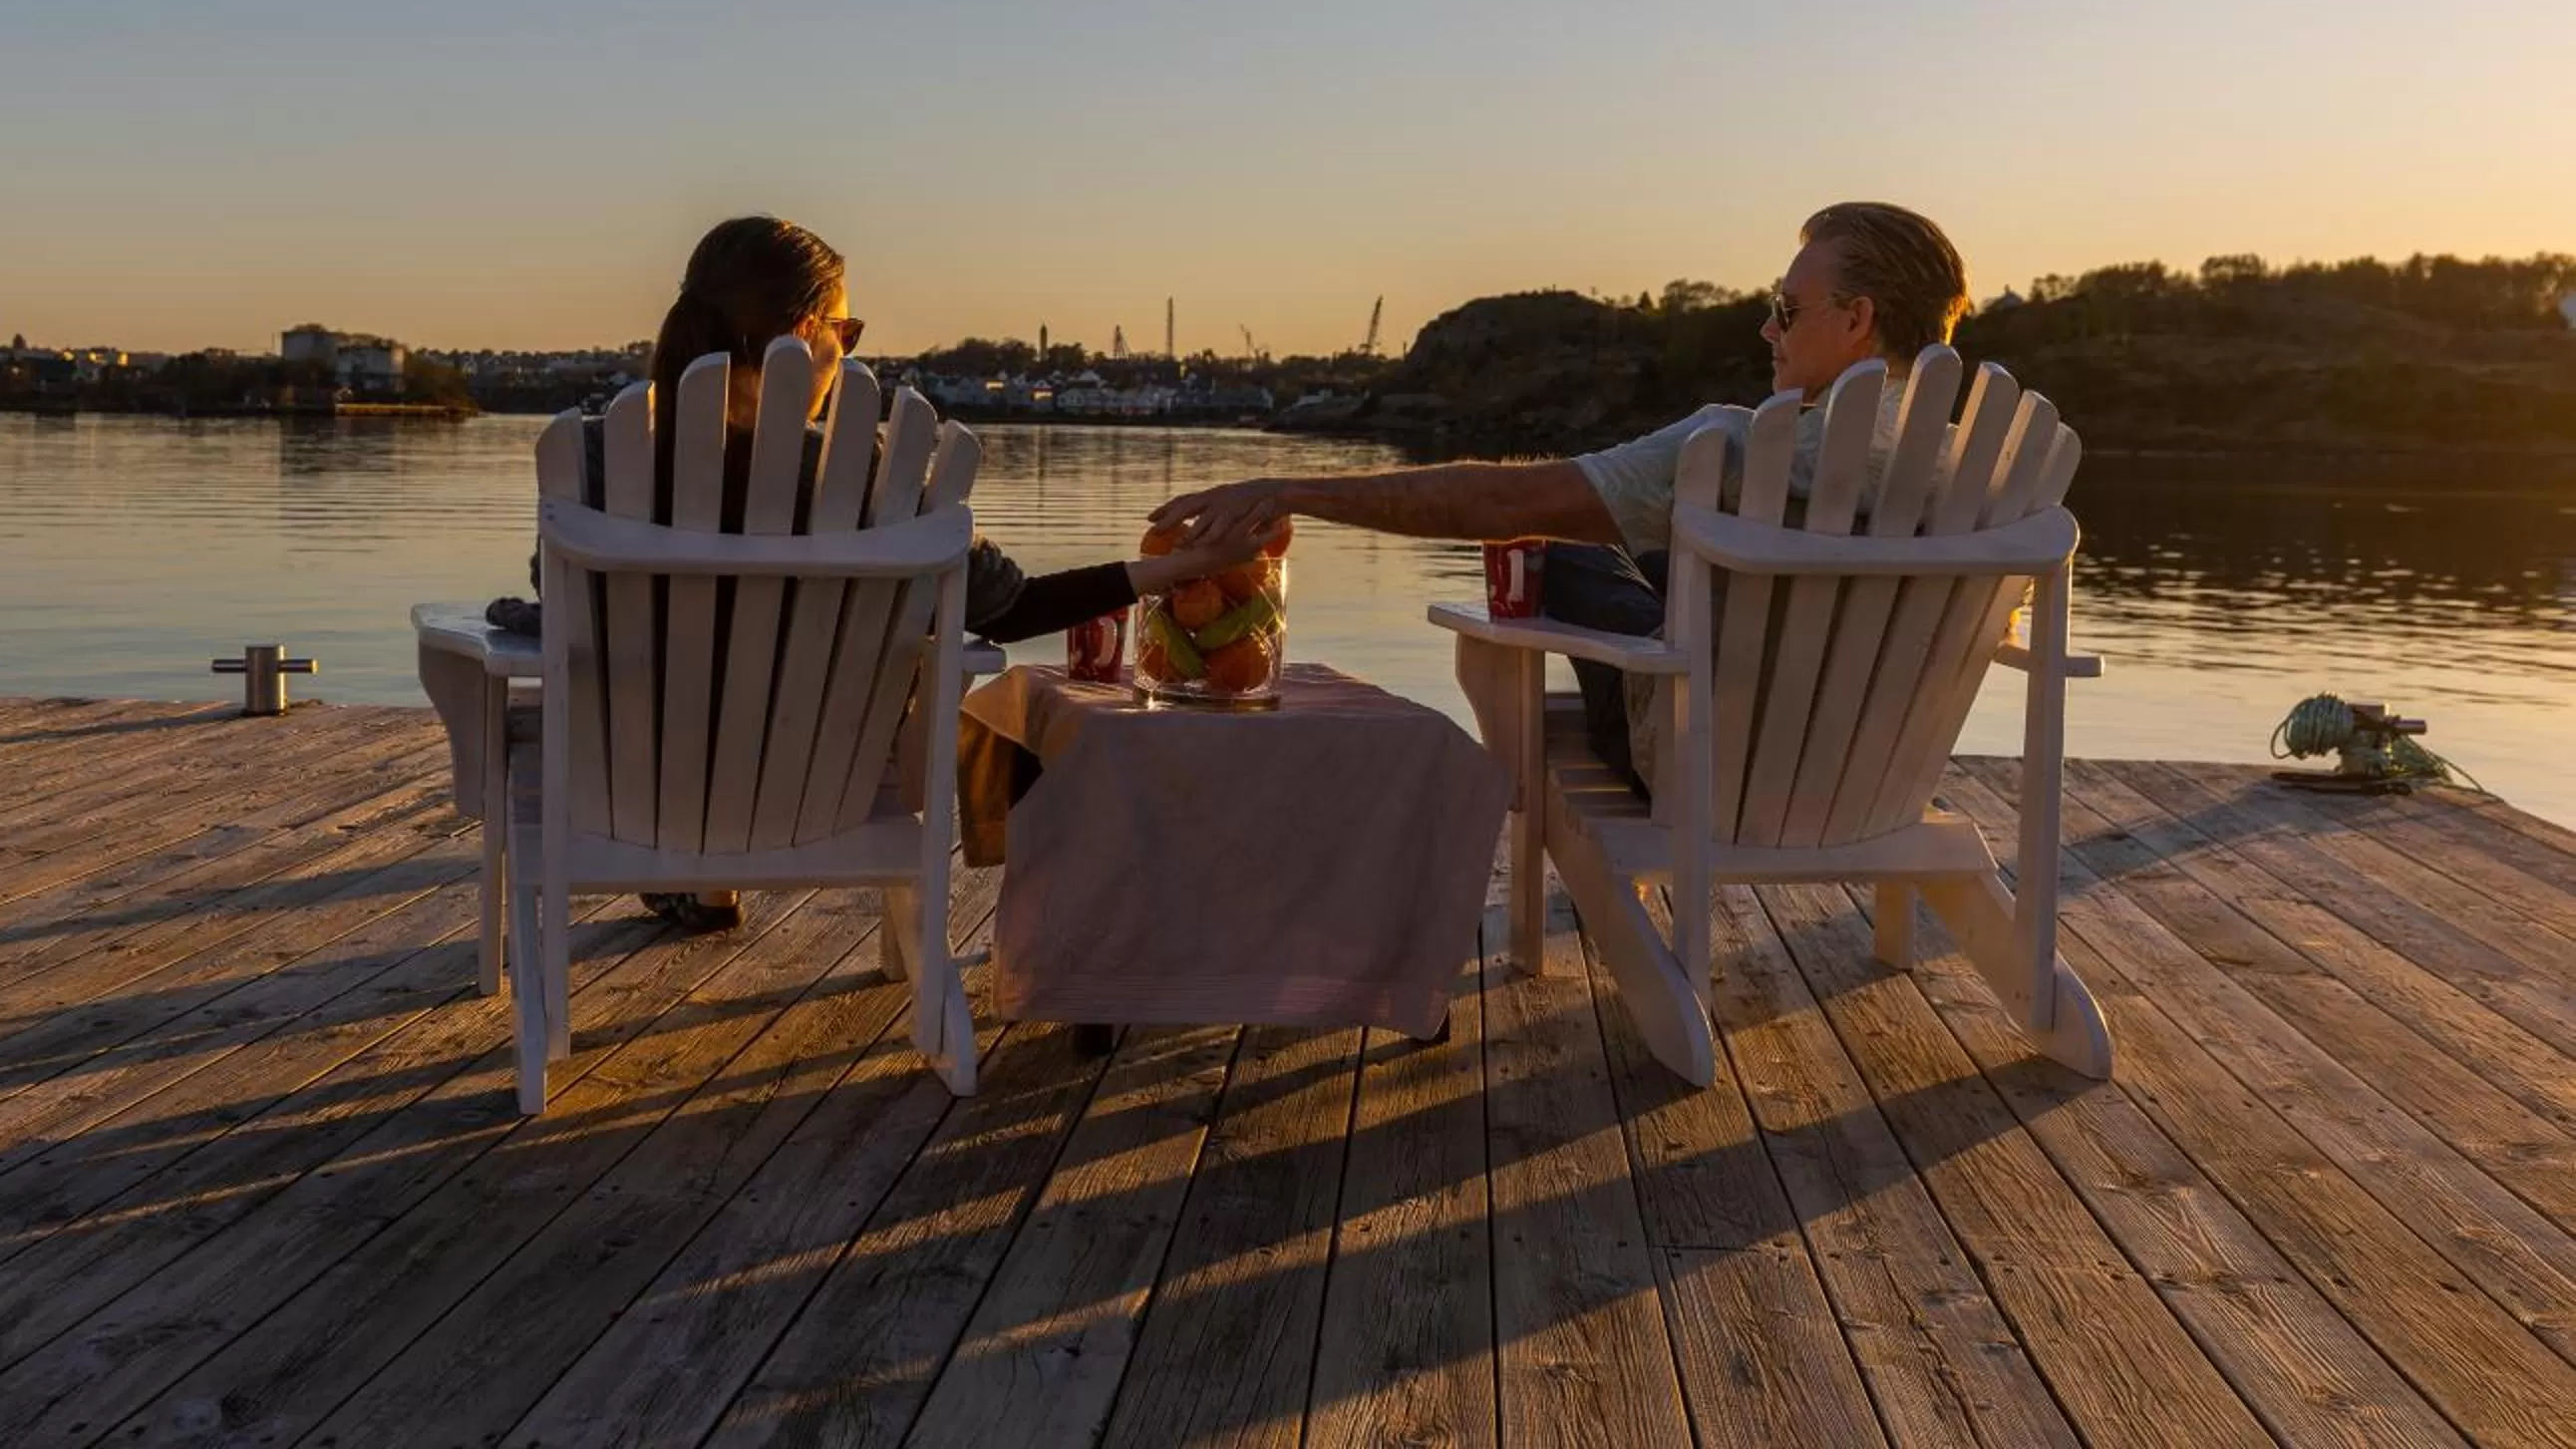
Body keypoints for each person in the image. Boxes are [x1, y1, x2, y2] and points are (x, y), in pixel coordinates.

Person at [495, 214, 1277, 928]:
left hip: (630, 787)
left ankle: (702, 882)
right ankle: (716, 882)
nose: (851, 347)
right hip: (817, 784)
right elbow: (1006, 611)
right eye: (849, 328)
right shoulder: (868, 479)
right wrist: (1177, 567)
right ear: (808, 332)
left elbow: (557, 599)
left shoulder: (600, 457)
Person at [1151, 201, 1971, 787]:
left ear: (1857, 318)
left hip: (1702, 758)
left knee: (1550, 540)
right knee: (1657, 552)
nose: (1767, 330)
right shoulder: (1972, 462)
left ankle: (1509, 803)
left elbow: (1501, 506)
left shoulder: (1740, 445)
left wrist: (1291, 488)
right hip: (1881, 765)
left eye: (1784, 310)